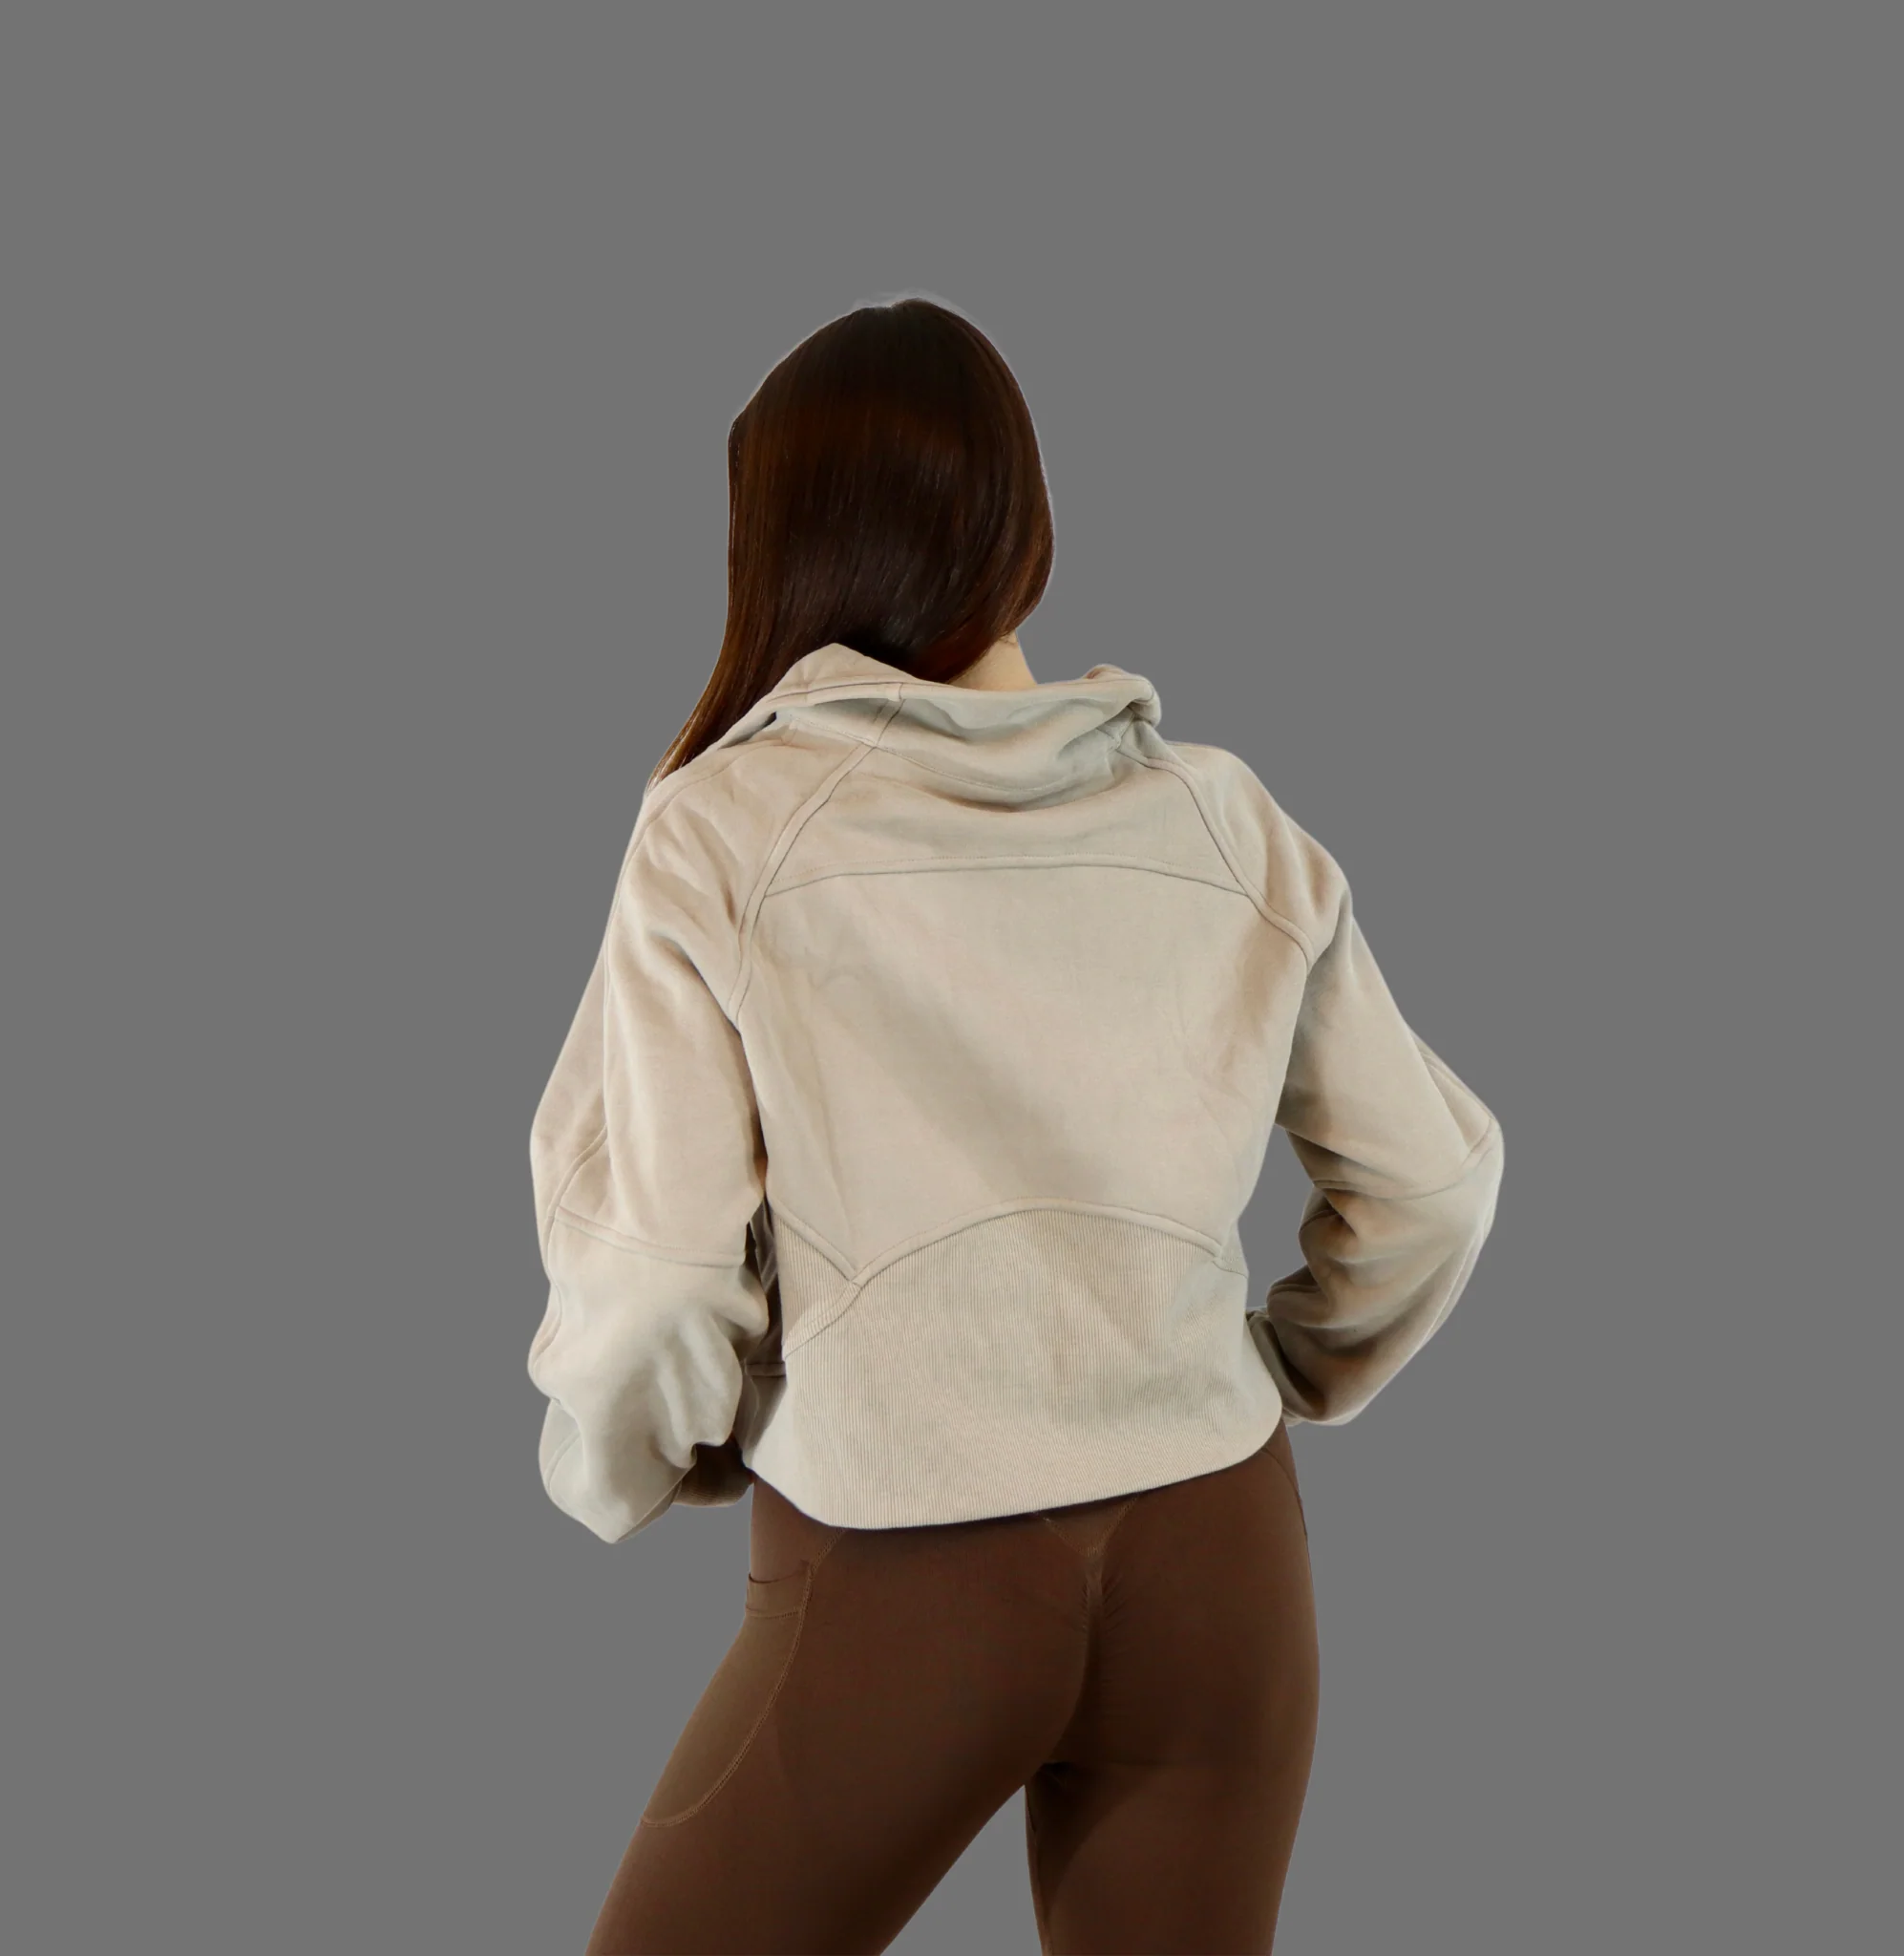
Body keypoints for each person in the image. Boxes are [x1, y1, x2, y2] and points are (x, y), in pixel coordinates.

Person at [525, 295, 1506, 1954]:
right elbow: (1434, 1186)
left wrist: (620, 1467)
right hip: (1223, 1565)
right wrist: (1280, 1369)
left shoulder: (722, 830)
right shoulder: (1223, 817)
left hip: (902, 1573)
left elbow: (663, 1277)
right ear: (1024, 531)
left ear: (779, 548)